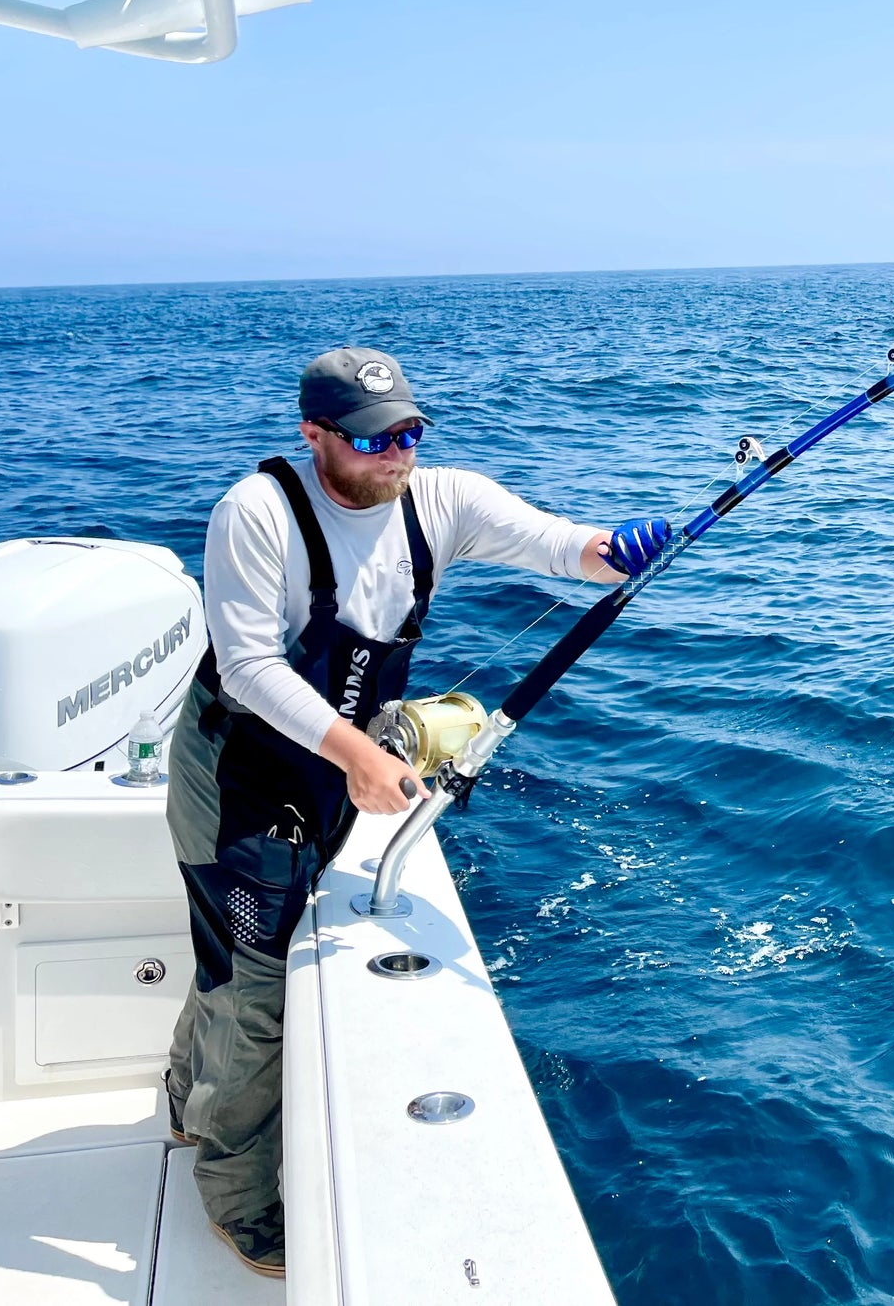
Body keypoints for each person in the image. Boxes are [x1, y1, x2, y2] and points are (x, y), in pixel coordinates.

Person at [163, 347, 668, 1276]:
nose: (394, 454)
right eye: (368, 440)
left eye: (408, 433)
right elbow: (247, 667)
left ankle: (187, 1090)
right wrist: (359, 754)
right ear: (314, 434)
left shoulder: (444, 501)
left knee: (236, 955)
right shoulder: (257, 511)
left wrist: (613, 549)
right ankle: (235, 1192)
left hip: (325, 767)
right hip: (236, 765)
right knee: (254, 979)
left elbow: (561, 545)